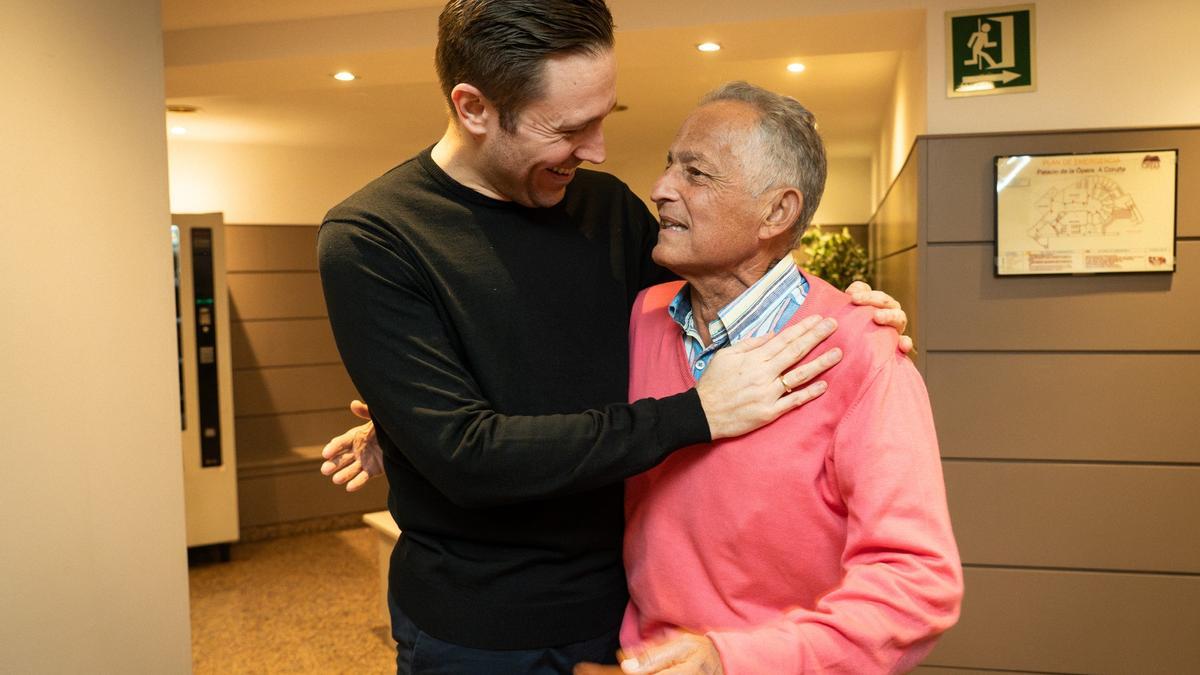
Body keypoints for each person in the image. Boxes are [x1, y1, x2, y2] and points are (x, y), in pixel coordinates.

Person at [317, 1, 910, 672]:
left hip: (627, 612)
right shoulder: (373, 236)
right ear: (474, 107)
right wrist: (696, 413)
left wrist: (840, 311)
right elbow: (466, 455)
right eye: (570, 128)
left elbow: (713, 306)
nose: (597, 149)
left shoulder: (605, 208)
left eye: (604, 118)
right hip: (481, 630)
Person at [571, 83, 961, 675]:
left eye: (696, 173)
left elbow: (916, 584)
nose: (660, 188)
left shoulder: (860, 349)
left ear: (777, 212)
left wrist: (732, 661)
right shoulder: (644, 318)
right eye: (670, 165)